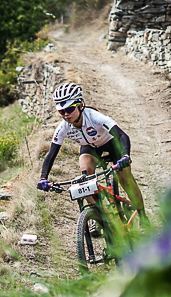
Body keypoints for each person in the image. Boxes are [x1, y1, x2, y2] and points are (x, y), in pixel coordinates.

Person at [36, 82, 146, 222]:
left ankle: (143, 217)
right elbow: (51, 154)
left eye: (69, 109)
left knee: (125, 179)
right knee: (85, 179)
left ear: (80, 105)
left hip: (112, 144)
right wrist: (43, 177)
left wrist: (125, 155)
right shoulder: (63, 128)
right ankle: (98, 216)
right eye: (61, 111)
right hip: (90, 148)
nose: (66, 115)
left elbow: (122, 135)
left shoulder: (94, 117)